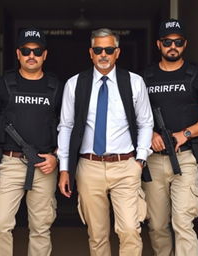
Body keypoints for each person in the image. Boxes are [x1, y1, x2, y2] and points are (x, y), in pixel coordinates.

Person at [57, 28, 153, 256]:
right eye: (98, 49)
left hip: (125, 166)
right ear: (91, 52)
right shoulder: (75, 84)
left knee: (130, 229)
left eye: (108, 50)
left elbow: (145, 123)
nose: (103, 54)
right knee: (97, 234)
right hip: (89, 167)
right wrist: (64, 169)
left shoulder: (134, 82)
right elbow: (66, 126)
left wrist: (140, 159)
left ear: (117, 53)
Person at [142, 18, 198, 256]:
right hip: (154, 160)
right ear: (159, 44)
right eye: (167, 42)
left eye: (177, 42)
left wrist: (185, 134)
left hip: (185, 159)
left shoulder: (196, 75)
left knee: (183, 222)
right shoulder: (145, 78)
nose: (172, 46)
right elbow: (132, 116)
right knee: (156, 225)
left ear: (184, 44)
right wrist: (151, 134)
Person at [0, 28, 62, 256]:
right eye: (26, 50)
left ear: (45, 55)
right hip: (10, 163)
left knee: (41, 227)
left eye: (37, 51)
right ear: (18, 53)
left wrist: (56, 157)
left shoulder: (56, 88)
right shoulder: (3, 84)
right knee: (1, 223)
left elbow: (68, 127)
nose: (31, 55)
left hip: (44, 165)